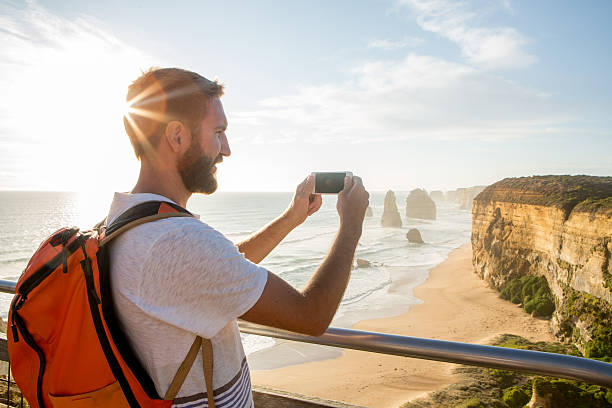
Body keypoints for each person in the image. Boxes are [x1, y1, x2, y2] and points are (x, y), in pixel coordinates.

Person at [106, 67, 369, 407]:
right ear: (177, 137)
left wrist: (292, 218)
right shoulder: (176, 242)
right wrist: (351, 226)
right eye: (218, 132)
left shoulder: (126, 219)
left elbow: (222, 266)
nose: (226, 149)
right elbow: (312, 316)